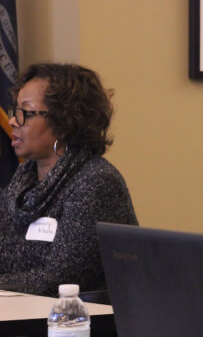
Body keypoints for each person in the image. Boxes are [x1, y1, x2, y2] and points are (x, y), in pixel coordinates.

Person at [0, 63, 138, 296]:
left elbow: (59, 281)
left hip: (78, 327)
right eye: (16, 112)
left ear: (63, 122)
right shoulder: (21, 185)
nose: (14, 121)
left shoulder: (95, 182)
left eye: (26, 112)